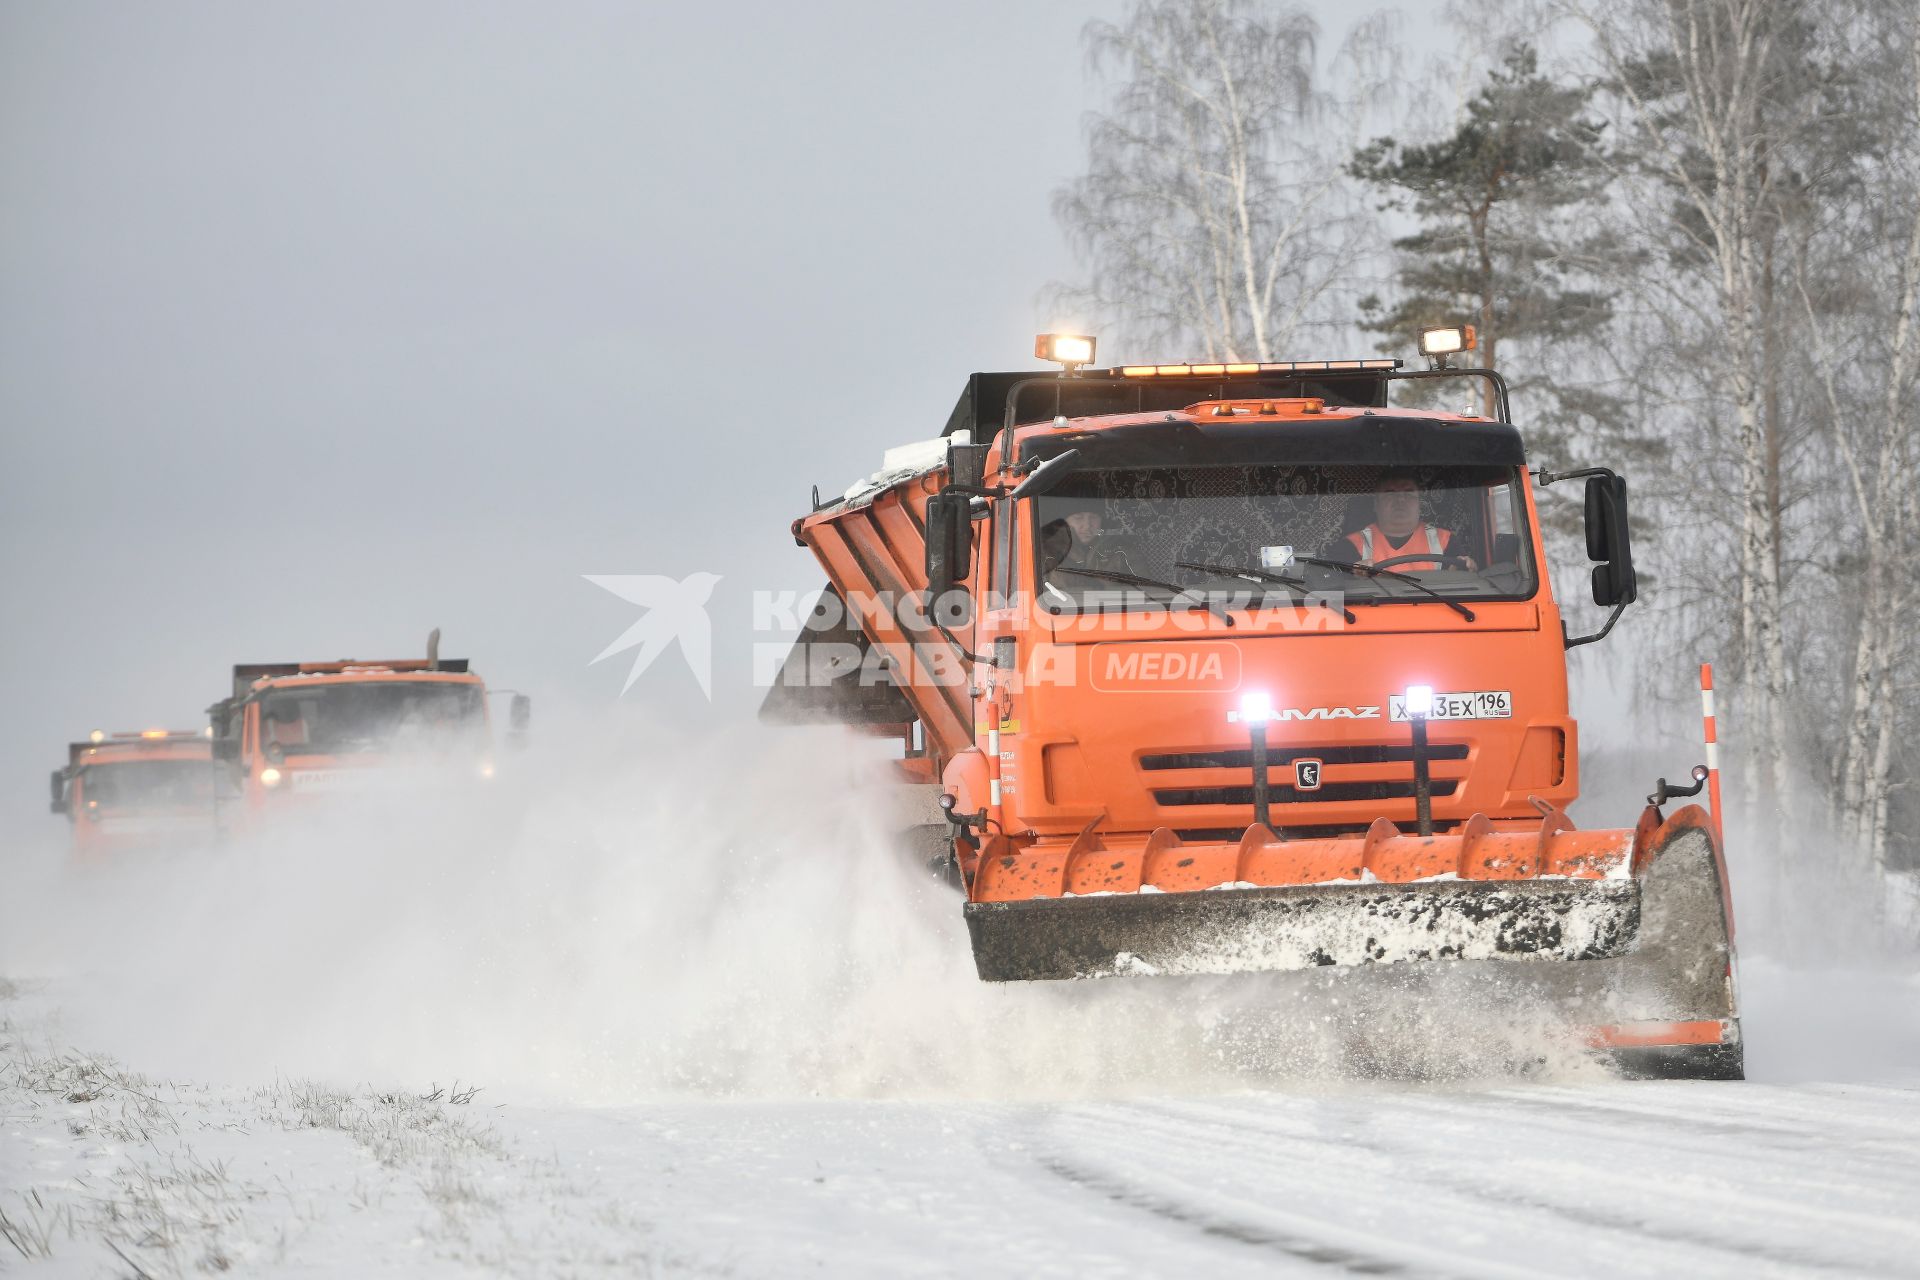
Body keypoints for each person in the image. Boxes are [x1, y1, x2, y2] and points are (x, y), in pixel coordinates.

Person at [1334, 472, 1474, 571]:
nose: (1400, 499)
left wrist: (1467, 568)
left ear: (1419, 504)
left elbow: (1459, 580)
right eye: (1390, 493)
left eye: (1408, 492)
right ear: (1376, 505)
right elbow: (1336, 592)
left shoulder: (1446, 541)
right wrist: (1353, 574)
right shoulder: (1351, 545)